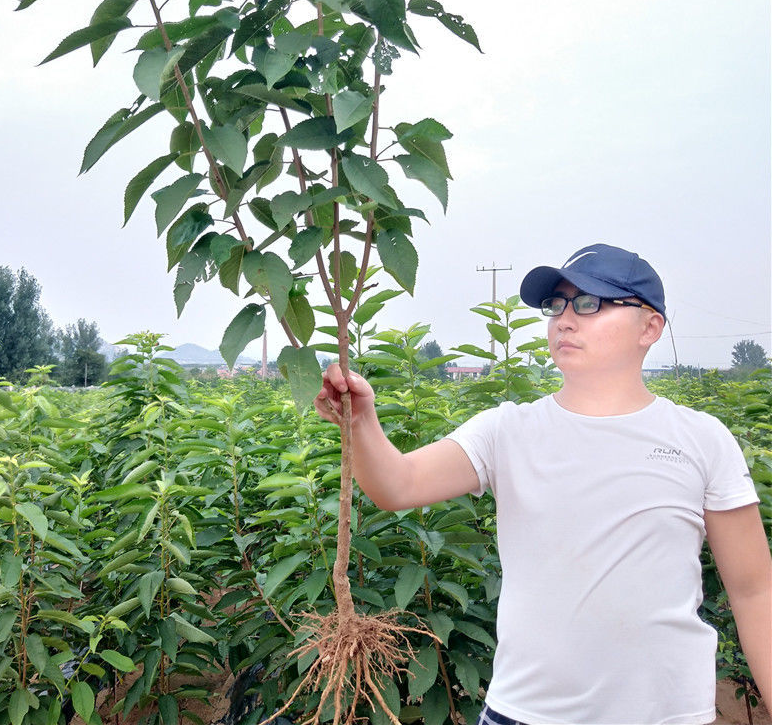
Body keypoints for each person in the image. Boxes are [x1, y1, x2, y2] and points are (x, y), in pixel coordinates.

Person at [314, 243, 772, 725]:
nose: (565, 319)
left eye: (591, 303)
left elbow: (754, 589)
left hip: (669, 715)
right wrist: (361, 423)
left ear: (651, 327)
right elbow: (398, 485)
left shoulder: (701, 439)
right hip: (526, 713)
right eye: (556, 304)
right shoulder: (506, 430)